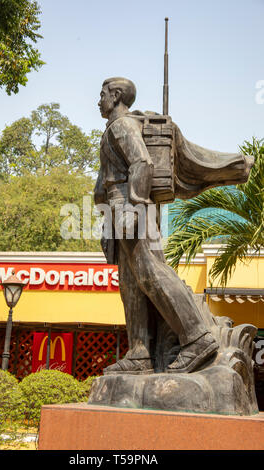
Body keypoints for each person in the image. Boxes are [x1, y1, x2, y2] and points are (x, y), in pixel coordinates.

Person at [94, 76, 221, 374]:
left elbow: (142, 163)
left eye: (101, 95)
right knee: (130, 283)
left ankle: (197, 338)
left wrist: (136, 205)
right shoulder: (113, 128)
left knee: (150, 272)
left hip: (129, 204)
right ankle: (139, 354)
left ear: (116, 95)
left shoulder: (123, 126)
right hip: (116, 206)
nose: (98, 101)